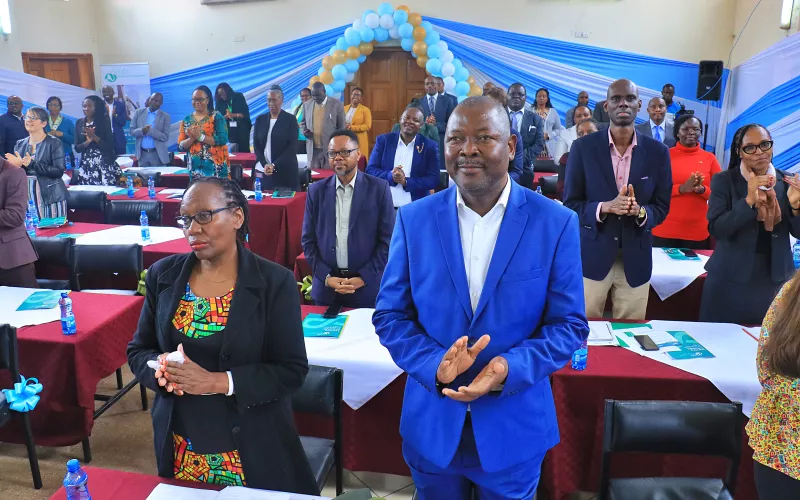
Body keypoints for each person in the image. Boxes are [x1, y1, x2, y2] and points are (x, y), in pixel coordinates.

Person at [372, 96, 588, 499]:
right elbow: (390, 316)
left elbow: (569, 325)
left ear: (510, 147)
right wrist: (435, 364)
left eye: (483, 138)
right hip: (433, 427)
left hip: (513, 428)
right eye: (456, 139)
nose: (467, 150)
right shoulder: (414, 220)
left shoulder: (555, 223)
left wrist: (509, 366)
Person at [127, 177, 318, 494]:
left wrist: (216, 382)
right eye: (185, 219)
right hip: (181, 442)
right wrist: (159, 368)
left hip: (250, 445)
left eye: (204, 216)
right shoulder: (164, 275)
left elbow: (291, 371)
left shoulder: (275, 282)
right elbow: (138, 350)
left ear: (237, 217)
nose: (192, 229)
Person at [563, 79, 672, 320]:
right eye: (616, 99)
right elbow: (571, 204)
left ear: (639, 105)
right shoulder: (583, 148)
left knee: (630, 337)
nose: (623, 103)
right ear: (606, 105)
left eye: (630, 98)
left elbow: (662, 207)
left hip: (636, 259)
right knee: (583, 331)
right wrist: (605, 207)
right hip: (592, 256)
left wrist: (639, 212)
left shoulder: (658, 152)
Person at [700, 124, 800, 325]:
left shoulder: (786, 180)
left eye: (765, 144)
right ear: (740, 152)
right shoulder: (724, 180)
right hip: (730, 278)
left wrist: (796, 207)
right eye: (750, 147)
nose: (760, 152)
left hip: (774, 277)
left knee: (766, 346)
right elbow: (717, 229)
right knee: (718, 341)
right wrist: (747, 202)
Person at [302, 129, 394, 308]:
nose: (338, 157)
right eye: (332, 153)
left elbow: (387, 241)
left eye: (345, 152)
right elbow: (308, 241)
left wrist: (363, 277)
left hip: (366, 289)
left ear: (358, 153)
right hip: (327, 289)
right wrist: (327, 278)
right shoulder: (316, 191)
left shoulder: (379, 189)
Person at [747, 278, 800, 499]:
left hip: (778, 443)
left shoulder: (791, 291)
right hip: (781, 446)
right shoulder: (790, 292)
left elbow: (766, 368)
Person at [652, 115, 720, 249]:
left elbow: (720, 194)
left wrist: (702, 190)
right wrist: (681, 189)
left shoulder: (710, 158)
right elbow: (653, 189)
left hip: (696, 232)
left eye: (696, 129)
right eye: (686, 129)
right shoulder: (664, 155)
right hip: (664, 228)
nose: (691, 132)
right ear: (677, 132)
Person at [367, 108, 439, 209]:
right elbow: (370, 170)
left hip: (415, 207)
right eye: (406, 118)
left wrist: (406, 182)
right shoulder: (384, 141)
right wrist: (390, 176)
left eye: (415, 120)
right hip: (384, 208)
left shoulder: (429, 147)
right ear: (400, 119)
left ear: (422, 125)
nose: (409, 122)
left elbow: (433, 179)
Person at [7, 107, 68, 220]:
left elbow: (58, 171)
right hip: (27, 195)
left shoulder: (54, 143)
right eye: (27, 117)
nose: (28, 120)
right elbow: (17, 174)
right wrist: (15, 167)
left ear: (44, 123)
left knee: (53, 231)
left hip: (51, 195)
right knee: (33, 231)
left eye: (33, 118)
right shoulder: (20, 144)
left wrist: (32, 164)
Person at [252, 86, 299, 190]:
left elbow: (292, 147)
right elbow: (256, 145)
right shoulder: (260, 119)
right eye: (269, 100)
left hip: (284, 171)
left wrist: (274, 165)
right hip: (264, 170)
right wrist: (265, 164)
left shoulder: (290, 120)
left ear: (281, 101)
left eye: (274, 100)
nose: (271, 103)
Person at [179, 86, 230, 179]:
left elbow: (222, 139)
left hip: (215, 168)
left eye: (200, 99)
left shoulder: (216, 117)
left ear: (207, 100)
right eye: (194, 99)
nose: (197, 102)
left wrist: (201, 137)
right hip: (195, 169)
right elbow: (181, 145)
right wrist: (191, 139)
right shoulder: (187, 120)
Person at [74, 95, 123, 186]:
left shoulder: (104, 121)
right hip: (87, 165)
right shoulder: (79, 123)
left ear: (96, 107)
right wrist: (87, 142)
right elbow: (77, 148)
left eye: (89, 106)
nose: (86, 109)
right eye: (84, 106)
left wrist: (94, 137)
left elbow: (109, 146)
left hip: (104, 163)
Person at [301, 82, 346, 172]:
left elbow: (342, 128)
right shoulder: (307, 105)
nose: (315, 98)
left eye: (318, 95)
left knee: (330, 179)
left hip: (331, 150)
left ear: (324, 92)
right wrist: (305, 131)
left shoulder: (336, 104)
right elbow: (303, 123)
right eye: (313, 95)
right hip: (313, 151)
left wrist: (338, 148)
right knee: (313, 179)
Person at [506, 83, 545, 181]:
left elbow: (539, 144)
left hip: (525, 170)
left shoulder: (536, 119)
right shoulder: (497, 116)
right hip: (500, 170)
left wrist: (518, 158)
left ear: (526, 97)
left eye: (520, 94)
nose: (516, 97)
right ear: (507, 96)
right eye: (512, 94)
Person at [484, 87, 523, 183]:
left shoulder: (513, 135)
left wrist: (494, 183)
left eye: (495, 108)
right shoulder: (471, 132)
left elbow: (517, 172)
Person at [420, 76, 455, 171]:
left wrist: (436, 125)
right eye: (427, 84)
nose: (430, 86)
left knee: (440, 171)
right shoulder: (419, 102)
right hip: (423, 142)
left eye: (433, 83)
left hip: (441, 142)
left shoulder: (448, 101)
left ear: (438, 86)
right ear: (424, 86)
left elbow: (452, 124)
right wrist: (425, 124)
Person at [558, 119, 600, 199]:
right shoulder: (567, 158)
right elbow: (561, 190)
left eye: (590, 132)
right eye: (580, 134)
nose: (584, 136)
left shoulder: (608, 156)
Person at [130, 92, 171, 167]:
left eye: (157, 101)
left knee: (158, 178)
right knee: (142, 178)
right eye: (152, 99)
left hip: (158, 155)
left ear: (161, 103)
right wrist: (142, 131)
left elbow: (165, 137)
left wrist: (150, 131)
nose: (154, 102)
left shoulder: (165, 117)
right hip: (142, 155)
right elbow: (132, 131)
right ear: (149, 100)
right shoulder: (139, 112)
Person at [215, 83, 252, 154]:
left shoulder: (238, 97)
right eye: (220, 94)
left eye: (223, 93)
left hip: (242, 127)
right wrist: (226, 116)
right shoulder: (219, 102)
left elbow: (244, 114)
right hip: (229, 129)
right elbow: (218, 119)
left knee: (244, 149)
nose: (222, 96)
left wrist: (233, 115)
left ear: (228, 91)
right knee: (233, 149)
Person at [45, 96, 75, 170]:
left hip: (66, 156)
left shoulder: (68, 122)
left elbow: (74, 140)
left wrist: (62, 135)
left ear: (60, 107)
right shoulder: (43, 122)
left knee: (69, 179)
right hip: (48, 156)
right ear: (47, 107)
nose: (53, 107)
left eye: (56, 105)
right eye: (51, 105)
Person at [533, 88, 565, 159]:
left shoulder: (553, 112)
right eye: (539, 96)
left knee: (547, 167)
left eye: (544, 96)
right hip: (533, 145)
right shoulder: (530, 110)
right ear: (536, 98)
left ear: (547, 99)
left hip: (548, 147)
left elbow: (558, 129)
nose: (541, 98)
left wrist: (549, 135)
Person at [344, 87, 372, 160]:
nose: (355, 96)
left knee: (359, 160)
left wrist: (351, 127)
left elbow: (367, 126)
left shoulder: (365, 110)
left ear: (361, 98)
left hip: (359, 139)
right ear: (350, 96)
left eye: (357, 95)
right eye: (353, 94)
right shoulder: (344, 108)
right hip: (345, 139)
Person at [102, 85, 128, 155]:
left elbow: (123, 122)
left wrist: (115, 115)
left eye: (108, 92)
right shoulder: (99, 105)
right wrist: (105, 114)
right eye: (104, 92)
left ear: (113, 93)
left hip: (118, 139)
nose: (106, 94)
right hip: (104, 139)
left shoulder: (120, 105)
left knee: (121, 161)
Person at [294, 88, 311, 155]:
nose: (304, 97)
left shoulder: (316, 108)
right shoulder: (297, 108)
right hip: (299, 140)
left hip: (311, 141)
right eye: (302, 96)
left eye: (306, 95)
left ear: (311, 96)